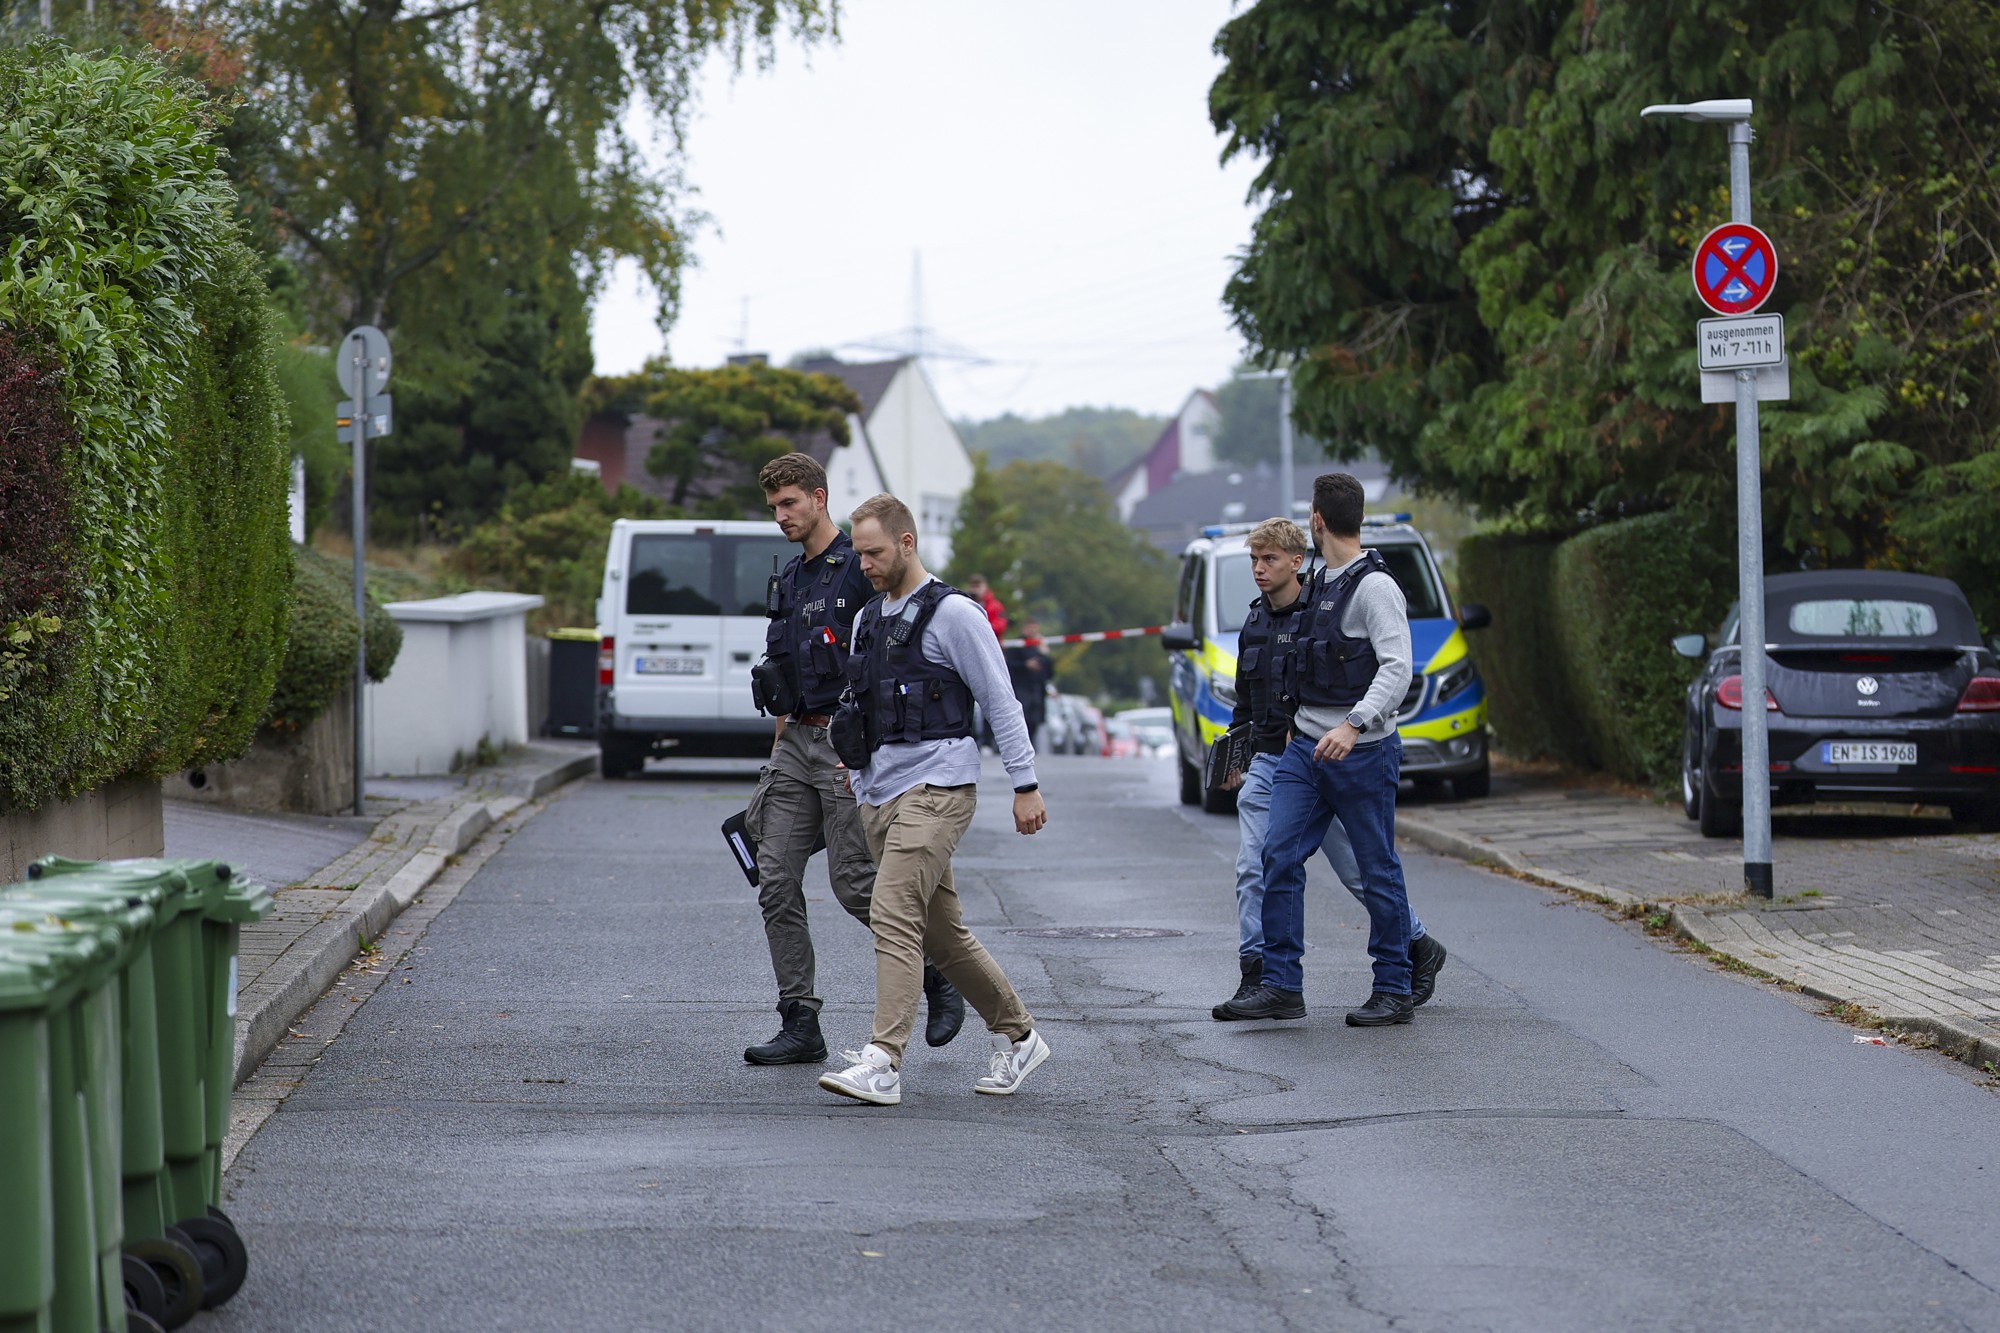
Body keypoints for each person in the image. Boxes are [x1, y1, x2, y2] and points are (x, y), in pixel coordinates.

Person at [817, 494, 1053, 1106]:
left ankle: (884, 1060)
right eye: (859, 551)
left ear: (907, 542)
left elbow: (1002, 701)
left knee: (892, 911)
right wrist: (857, 773)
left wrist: (1024, 785)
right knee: (943, 937)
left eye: (872, 552)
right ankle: (1020, 1036)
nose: (863, 563)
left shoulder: (957, 615)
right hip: (879, 793)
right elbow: (864, 707)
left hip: (940, 786)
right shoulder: (869, 618)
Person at [741, 455, 963, 1066]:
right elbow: (781, 677)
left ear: (819, 498)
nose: (781, 517)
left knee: (855, 885)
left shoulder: (858, 569)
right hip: (794, 744)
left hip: (846, 749)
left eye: (789, 504)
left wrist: (876, 755)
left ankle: (938, 973)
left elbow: (897, 656)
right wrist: (777, 753)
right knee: (775, 878)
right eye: (774, 509)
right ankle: (800, 1019)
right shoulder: (790, 580)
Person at [1210, 518, 1445, 1020]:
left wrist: (1353, 725)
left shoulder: (1347, 593)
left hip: (1350, 750)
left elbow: (1393, 668)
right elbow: (1249, 700)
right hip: (1284, 757)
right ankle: (1270, 979)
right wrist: (1240, 751)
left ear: (1303, 547)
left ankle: (1407, 960)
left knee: (1366, 871)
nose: (1258, 569)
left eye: (1268, 559)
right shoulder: (1259, 619)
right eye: (1253, 560)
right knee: (1265, 862)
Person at [1006, 618, 1055, 751]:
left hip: (1037, 689)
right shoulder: (1016, 645)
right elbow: (1009, 665)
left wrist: (1045, 654)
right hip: (1021, 687)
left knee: (1035, 719)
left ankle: (1030, 745)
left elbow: (1049, 672)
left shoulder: (1039, 646)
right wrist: (1025, 665)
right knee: (1022, 718)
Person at [964, 573, 1008, 638]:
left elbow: (1001, 626)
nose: (975, 590)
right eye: (973, 587)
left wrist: (981, 627)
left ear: (985, 587)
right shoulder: (965, 604)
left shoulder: (996, 606)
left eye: (978, 586)